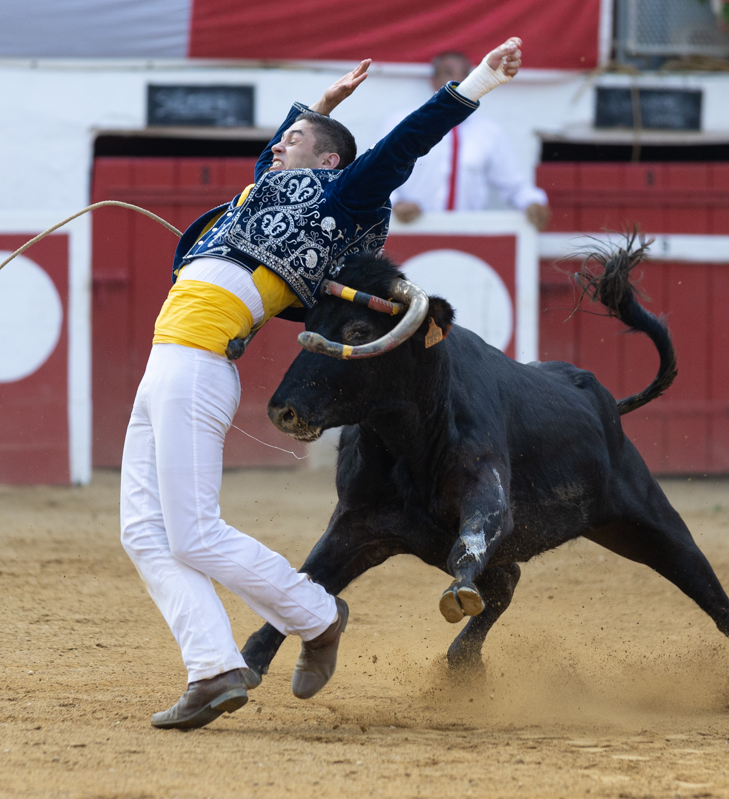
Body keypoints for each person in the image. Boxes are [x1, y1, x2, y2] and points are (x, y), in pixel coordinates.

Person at [119, 37, 526, 732]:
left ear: (331, 160)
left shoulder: (339, 201)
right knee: (144, 532)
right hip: (164, 363)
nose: (280, 145)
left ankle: (317, 613)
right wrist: (322, 105)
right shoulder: (258, 196)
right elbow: (270, 159)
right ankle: (214, 668)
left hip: (198, 364)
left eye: (297, 138)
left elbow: (404, 146)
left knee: (192, 534)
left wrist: (478, 82)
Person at [389, 51, 551, 231]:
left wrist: (532, 203)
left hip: (468, 237)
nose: (458, 80)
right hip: (411, 231)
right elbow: (378, 172)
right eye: (448, 73)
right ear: (432, 81)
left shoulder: (488, 132)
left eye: (465, 74)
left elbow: (513, 184)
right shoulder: (403, 124)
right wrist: (395, 204)